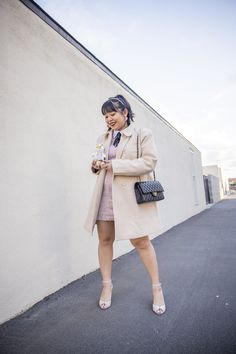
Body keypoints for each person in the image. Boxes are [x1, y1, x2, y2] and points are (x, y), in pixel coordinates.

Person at [84, 94, 166, 315]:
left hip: (129, 199)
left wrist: (114, 165)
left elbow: (149, 162)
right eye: (105, 115)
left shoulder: (141, 135)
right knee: (104, 240)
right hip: (105, 196)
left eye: (112, 114)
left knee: (141, 241)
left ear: (125, 113)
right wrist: (96, 165)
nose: (108, 119)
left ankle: (157, 288)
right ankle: (107, 286)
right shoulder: (103, 136)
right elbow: (99, 161)